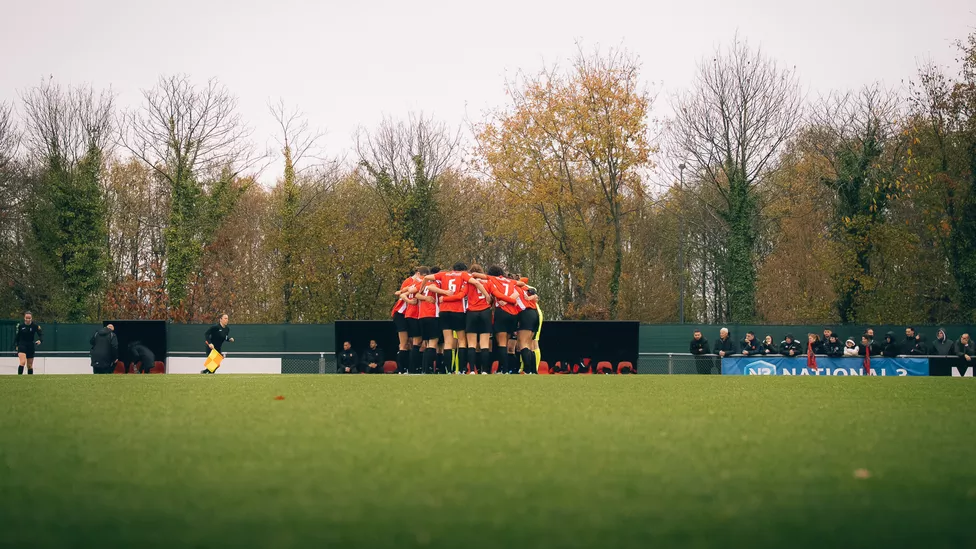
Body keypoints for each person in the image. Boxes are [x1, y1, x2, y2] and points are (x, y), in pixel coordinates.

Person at [392, 268, 424, 374]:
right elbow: (401, 295)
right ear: (417, 273)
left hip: (410, 314)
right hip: (401, 313)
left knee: (412, 342)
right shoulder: (409, 281)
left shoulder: (420, 282)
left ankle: (410, 368)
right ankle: (401, 369)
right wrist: (409, 300)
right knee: (404, 343)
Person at [463, 264, 494, 374]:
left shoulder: (469, 282)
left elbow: (463, 295)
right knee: (484, 344)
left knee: (471, 344)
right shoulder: (488, 282)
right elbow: (493, 296)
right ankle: (484, 370)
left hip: (472, 312)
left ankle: (472, 370)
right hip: (485, 312)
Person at [515, 279, 540, 374]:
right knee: (530, 344)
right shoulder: (525, 287)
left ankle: (527, 370)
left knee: (523, 343)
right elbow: (536, 296)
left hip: (525, 314)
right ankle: (534, 371)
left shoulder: (514, 288)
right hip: (535, 313)